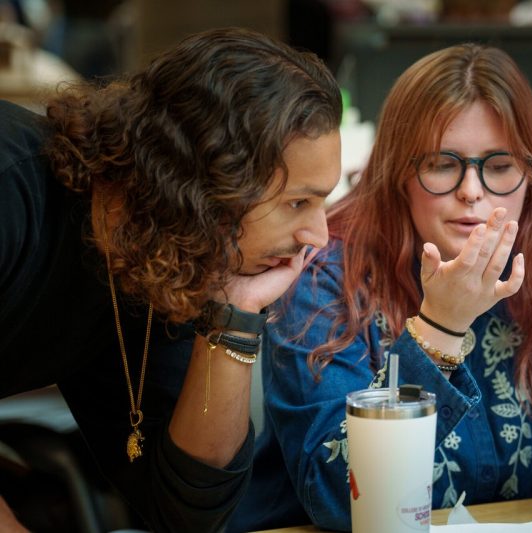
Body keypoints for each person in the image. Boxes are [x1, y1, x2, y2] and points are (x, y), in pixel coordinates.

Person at [230, 43, 532, 532]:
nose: (472, 190)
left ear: (531, 173)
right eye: (443, 164)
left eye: (500, 166)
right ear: (398, 171)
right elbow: (342, 502)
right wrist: (439, 329)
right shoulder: (323, 271)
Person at [0, 27, 342, 532]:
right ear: (204, 183)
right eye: (298, 203)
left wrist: (236, 312)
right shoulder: (12, 189)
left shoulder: (163, 260)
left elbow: (186, 509)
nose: (319, 235)